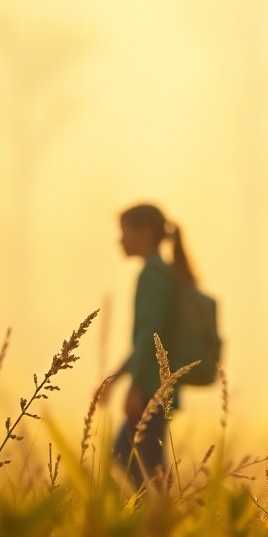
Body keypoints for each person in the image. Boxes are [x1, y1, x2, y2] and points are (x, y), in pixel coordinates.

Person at [103, 203, 196, 487]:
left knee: (133, 456)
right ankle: (159, 509)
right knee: (145, 459)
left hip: (151, 387)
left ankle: (159, 510)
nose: (120, 240)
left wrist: (135, 387)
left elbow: (150, 337)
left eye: (125, 232)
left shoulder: (152, 276)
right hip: (159, 385)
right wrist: (115, 379)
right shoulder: (165, 273)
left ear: (144, 232)